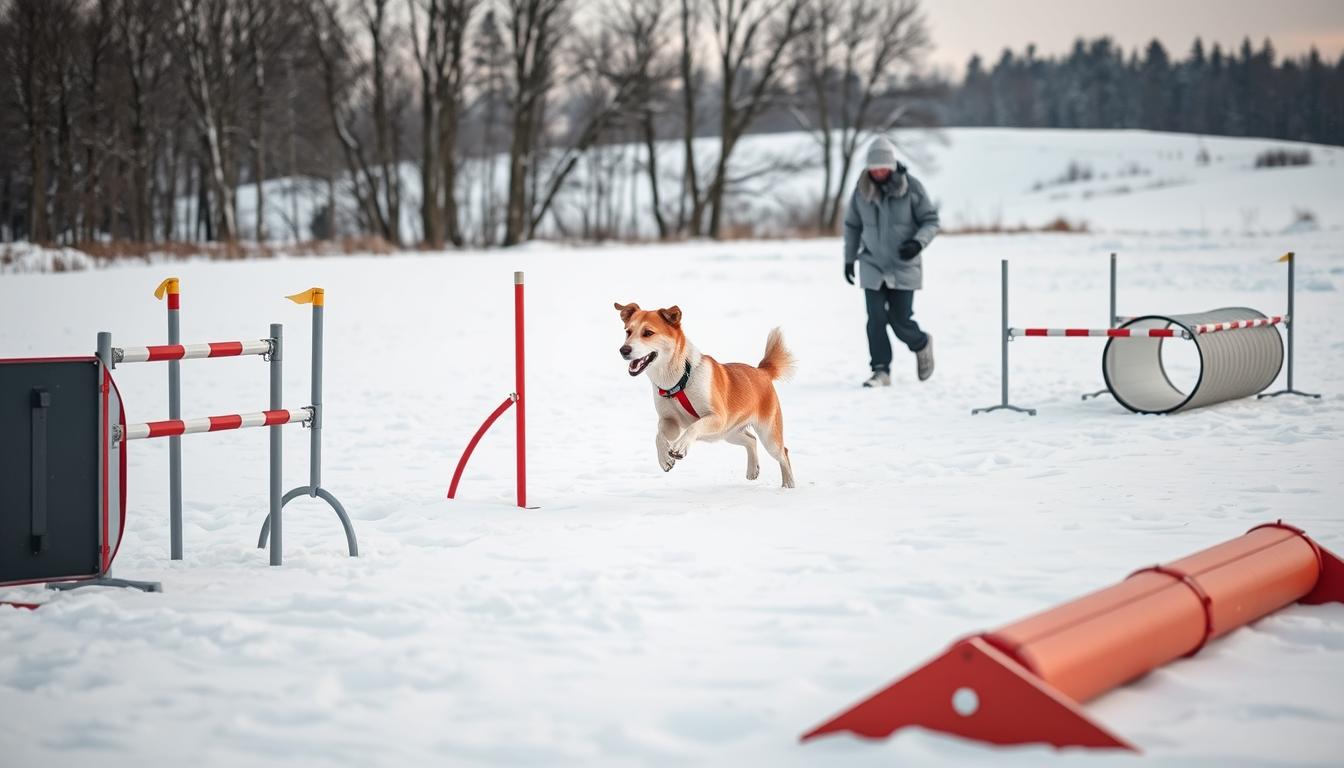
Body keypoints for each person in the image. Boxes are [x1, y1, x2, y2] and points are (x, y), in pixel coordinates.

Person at [843, 136, 940, 387]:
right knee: (875, 318)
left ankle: (921, 343)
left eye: (883, 167)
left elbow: (931, 220)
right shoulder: (861, 190)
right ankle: (880, 370)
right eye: (874, 167)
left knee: (900, 321)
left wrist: (918, 242)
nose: (878, 171)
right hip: (872, 264)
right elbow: (852, 226)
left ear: (892, 166)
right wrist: (849, 259)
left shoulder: (912, 188)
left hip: (904, 264)